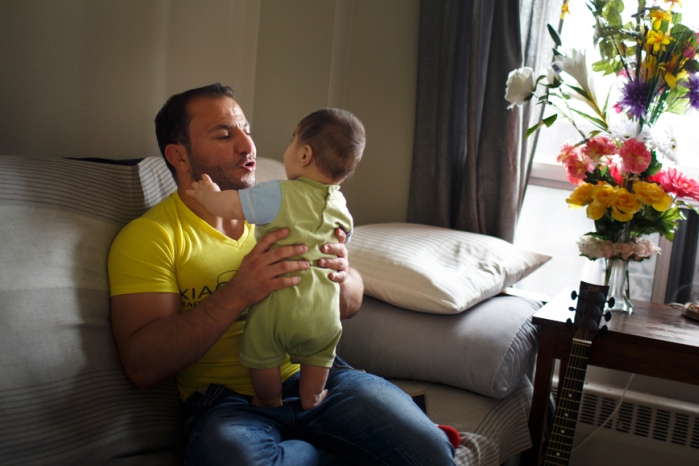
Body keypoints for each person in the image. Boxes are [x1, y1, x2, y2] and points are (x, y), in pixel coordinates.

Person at [107, 83, 456, 465]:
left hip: (318, 380)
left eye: (247, 130)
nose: (247, 146)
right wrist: (239, 293)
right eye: (225, 134)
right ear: (179, 155)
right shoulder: (150, 237)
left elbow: (350, 305)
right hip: (228, 404)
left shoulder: (291, 202)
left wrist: (341, 273)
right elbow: (142, 365)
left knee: (431, 452)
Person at [186, 108, 365, 411]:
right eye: (225, 133)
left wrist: (208, 195)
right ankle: (311, 397)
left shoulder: (277, 194)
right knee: (320, 355)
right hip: (322, 315)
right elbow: (343, 236)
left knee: (261, 352)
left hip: (278, 311)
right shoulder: (339, 203)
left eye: (292, 140)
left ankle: (269, 400)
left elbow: (230, 205)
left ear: (304, 154)